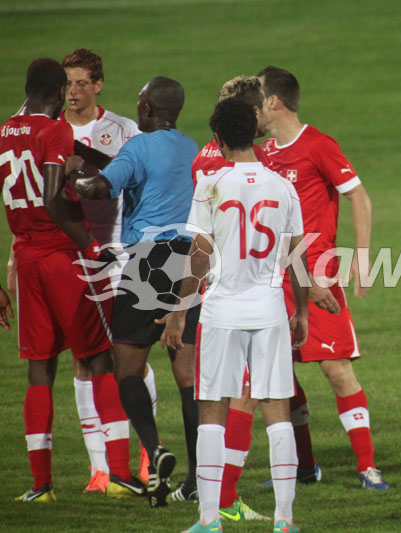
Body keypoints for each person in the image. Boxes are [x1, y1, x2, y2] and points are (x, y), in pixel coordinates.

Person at [1, 58, 142, 502]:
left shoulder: (5, 130)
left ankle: (41, 485)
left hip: (25, 258)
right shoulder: (55, 130)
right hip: (65, 256)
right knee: (99, 357)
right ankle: (118, 472)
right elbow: (53, 200)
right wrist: (92, 247)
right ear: (59, 91)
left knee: (39, 368)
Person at [164, 97, 306, 533]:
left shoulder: (211, 183)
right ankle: (284, 521)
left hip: (221, 310)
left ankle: (209, 521)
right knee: (277, 410)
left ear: (220, 139)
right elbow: (296, 256)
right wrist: (299, 311)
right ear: (256, 133)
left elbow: (201, 254)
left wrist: (178, 310)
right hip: (269, 310)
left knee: (212, 412)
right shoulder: (282, 186)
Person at [66, 76, 200, 507]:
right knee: (187, 376)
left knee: (127, 367)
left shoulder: (139, 147)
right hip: (192, 262)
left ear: (146, 111)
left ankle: (155, 447)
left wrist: (72, 177)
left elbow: (100, 187)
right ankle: (197, 477)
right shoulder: (192, 147)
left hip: (149, 260)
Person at [258, 66, 388, 490]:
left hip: (316, 274)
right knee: (278, 375)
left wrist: (362, 257)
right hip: (272, 276)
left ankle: (367, 466)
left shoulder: (318, 145)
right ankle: (305, 466)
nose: (252, 108)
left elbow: (359, 196)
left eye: (257, 98)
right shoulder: (261, 154)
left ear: (274, 102)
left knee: (336, 369)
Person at [59, 47, 157, 492]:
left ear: (98, 85)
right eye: (67, 83)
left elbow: (136, 186)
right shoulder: (51, 131)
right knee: (83, 359)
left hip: (117, 255)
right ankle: (98, 467)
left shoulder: (124, 130)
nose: (73, 92)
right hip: (68, 258)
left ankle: (145, 450)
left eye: (82, 83)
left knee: (126, 356)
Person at [181, 75, 272, 520]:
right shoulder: (242, 165)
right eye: (262, 112)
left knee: (227, 394)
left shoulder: (206, 158)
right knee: (239, 394)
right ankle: (223, 499)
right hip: (236, 292)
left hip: (216, 290)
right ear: (251, 116)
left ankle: (216, 499)